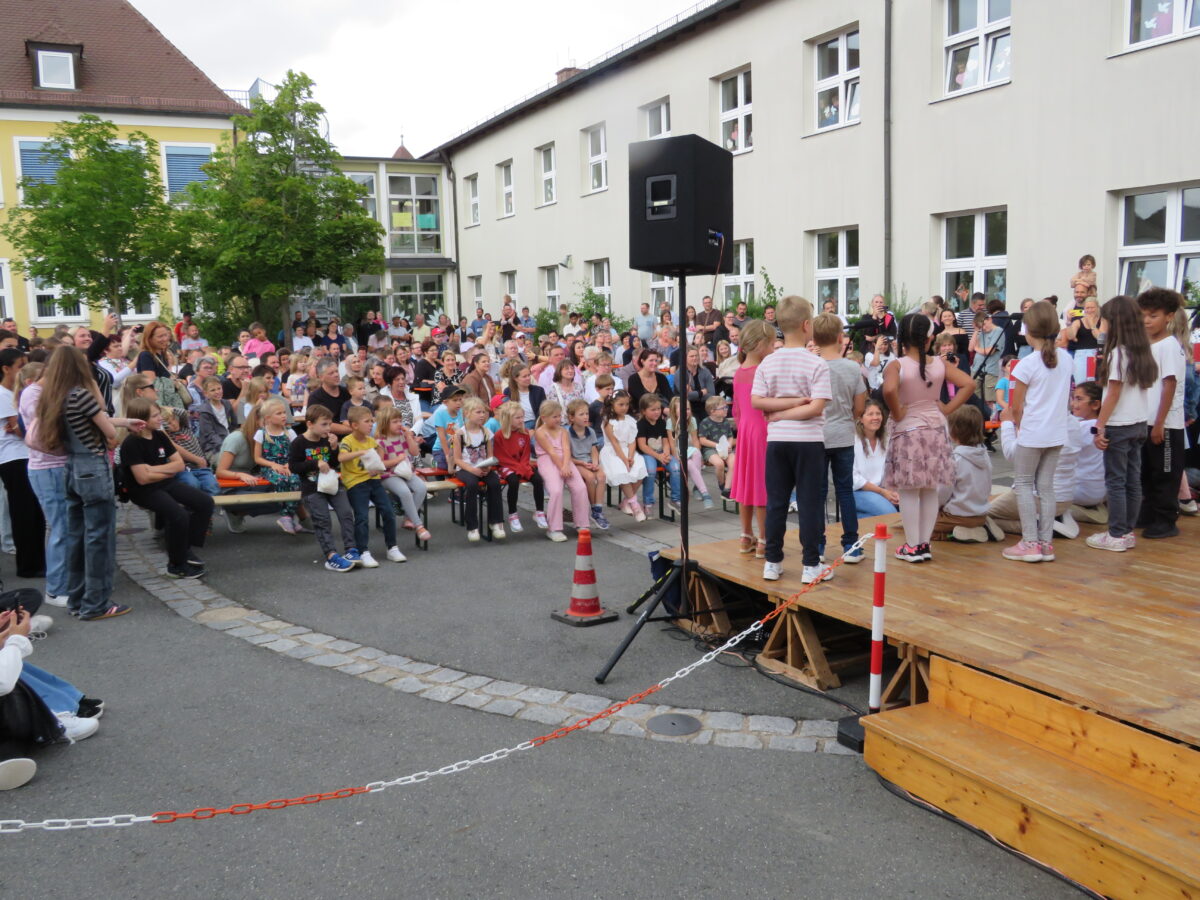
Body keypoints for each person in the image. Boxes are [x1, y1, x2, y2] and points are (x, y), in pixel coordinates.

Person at [35, 347, 140, 619]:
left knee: (77, 537)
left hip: (71, 467)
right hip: (92, 466)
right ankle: (97, 604)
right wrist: (93, 384)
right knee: (100, 538)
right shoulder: (81, 394)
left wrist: (125, 421)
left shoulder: (53, 397)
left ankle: (77, 599)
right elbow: (107, 429)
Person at [749, 298, 832, 583]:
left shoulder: (768, 362)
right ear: (807, 325)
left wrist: (780, 413)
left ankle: (772, 561)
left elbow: (757, 400)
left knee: (776, 503)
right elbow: (816, 407)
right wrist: (793, 407)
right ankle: (810, 565)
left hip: (778, 440)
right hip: (808, 441)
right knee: (809, 503)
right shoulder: (816, 363)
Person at [881, 313, 975, 563]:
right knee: (930, 489)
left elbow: (889, 389)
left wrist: (898, 410)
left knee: (910, 490)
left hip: (909, 429)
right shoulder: (939, 364)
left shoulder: (897, 365)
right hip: (935, 428)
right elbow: (969, 384)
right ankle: (924, 544)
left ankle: (912, 545)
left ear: (902, 338)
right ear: (930, 338)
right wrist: (946, 408)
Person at [998, 301, 1073, 561]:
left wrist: (1016, 427)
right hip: (1057, 433)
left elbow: (1016, 407)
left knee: (1024, 485)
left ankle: (1030, 543)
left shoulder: (1027, 364)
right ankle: (1045, 544)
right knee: (1046, 487)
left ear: (1029, 330)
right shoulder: (1067, 359)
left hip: (1032, 433)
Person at [1088, 296, 1157, 552]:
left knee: (1116, 481)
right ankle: (1126, 532)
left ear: (1114, 322)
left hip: (1119, 425)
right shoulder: (1142, 350)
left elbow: (1113, 393)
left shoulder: (1118, 353)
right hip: (1139, 423)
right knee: (1132, 480)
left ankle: (1116, 534)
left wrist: (1100, 426)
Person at [120, 397, 214, 579]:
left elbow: (178, 465)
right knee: (178, 515)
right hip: (143, 491)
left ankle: (186, 548)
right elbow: (142, 478)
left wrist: (155, 470)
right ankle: (176, 565)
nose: (159, 419)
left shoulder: (160, 435)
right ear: (141, 420)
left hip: (164, 482)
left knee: (205, 502)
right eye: (154, 416)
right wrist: (166, 471)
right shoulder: (131, 443)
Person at [814, 312, 868, 562]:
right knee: (845, 491)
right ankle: (852, 545)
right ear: (839, 337)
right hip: (844, 435)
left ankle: (819, 545)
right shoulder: (852, 367)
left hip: (816, 435)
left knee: (818, 493)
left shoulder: (812, 366)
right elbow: (860, 407)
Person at [1137, 288, 1186, 539]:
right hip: (1145, 420)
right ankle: (1148, 514)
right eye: (1143, 315)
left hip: (1165, 424)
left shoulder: (1169, 346)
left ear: (1168, 316)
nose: (1146, 320)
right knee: (1146, 470)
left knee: (1165, 473)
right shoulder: (1148, 345)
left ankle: (1167, 520)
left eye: (1153, 316)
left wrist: (1159, 424)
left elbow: (1170, 384)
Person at [288, 405, 359, 572]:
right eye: (324, 424)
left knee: (346, 513)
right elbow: (294, 466)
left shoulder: (327, 439)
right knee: (322, 520)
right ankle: (331, 555)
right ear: (310, 424)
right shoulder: (299, 442)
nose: (328, 428)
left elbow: (334, 463)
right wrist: (315, 463)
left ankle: (351, 549)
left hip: (332, 483)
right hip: (312, 487)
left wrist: (334, 449)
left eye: (329, 424)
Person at [728, 320, 773, 557]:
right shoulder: (762, 371)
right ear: (759, 345)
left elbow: (736, 409)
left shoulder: (739, 372)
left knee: (746, 485)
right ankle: (765, 539)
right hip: (762, 431)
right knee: (762, 487)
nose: (774, 348)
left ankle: (746, 536)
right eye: (772, 343)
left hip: (745, 430)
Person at [338, 406, 404, 565]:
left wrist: (377, 465)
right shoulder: (348, 441)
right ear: (354, 425)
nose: (370, 425)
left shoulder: (370, 440)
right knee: (362, 517)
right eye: (367, 422)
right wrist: (360, 453)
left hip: (373, 480)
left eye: (372, 421)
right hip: (355, 483)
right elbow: (341, 457)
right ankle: (363, 551)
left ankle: (392, 548)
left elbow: (379, 450)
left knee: (388, 511)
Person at [0, 349, 45, 579]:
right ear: (6, 369)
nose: (22, 370)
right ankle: (28, 565)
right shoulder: (2, 394)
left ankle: (38, 560)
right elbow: (20, 430)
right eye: (19, 366)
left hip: (27, 455)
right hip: (13, 458)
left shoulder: (17, 393)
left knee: (35, 512)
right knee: (24, 512)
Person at [931, 405, 993, 542]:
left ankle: (955, 534)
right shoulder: (984, 455)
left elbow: (942, 493)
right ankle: (981, 527)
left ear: (953, 431)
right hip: (980, 514)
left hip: (957, 516)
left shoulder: (954, 459)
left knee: (916, 524)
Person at [533, 399, 591, 542]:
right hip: (548, 461)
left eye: (559, 416)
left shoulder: (563, 431)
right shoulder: (540, 432)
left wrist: (566, 465)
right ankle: (554, 528)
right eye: (555, 417)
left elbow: (566, 449)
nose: (558, 419)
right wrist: (561, 467)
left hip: (565, 461)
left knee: (580, 488)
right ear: (544, 418)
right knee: (556, 490)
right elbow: (551, 452)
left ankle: (582, 524)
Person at [375, 404, 430, 543]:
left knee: (421, 488)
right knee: (405, 492)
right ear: (385, 424)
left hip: (406, 472)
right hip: (389, 475)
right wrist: (396, 460)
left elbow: (415, 452)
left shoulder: (402, 436)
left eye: (400, 421)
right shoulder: (380, 441)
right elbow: (380, 465)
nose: (399, 424)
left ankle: (408, 518)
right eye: (395, 422)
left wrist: (409, 436)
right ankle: (419, 526)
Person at [453, 397, 505, 542]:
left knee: (495, 482)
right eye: (478, 412)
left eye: (484, 412)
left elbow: (490, 454)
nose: (482, 415)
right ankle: (472, 526)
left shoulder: (486, 432)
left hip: (483, 467)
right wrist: (471, 469)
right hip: (465, 468)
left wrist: (488, 466)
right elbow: (457, 459)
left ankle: (496, 522)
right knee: (472, 485)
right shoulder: (460, 434)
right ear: (467, 414)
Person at [491, 401, 547, 533]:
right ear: (507, 419)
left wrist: (522, 466)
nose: (522, 420)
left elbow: (526, 453)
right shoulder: (500, 435)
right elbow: (501, 457)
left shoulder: (525, 433)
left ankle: (539, 512)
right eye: (518, 417)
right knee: (513, 481)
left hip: (522, 464)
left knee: (538, 480)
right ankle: (513, 514)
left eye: (522, 417)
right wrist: (518, 467)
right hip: (506, 465)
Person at [599, 390, 647, 521]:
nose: (624, 407)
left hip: (627, 450)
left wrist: (630, 457)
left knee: (640, 468)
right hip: (613, 452)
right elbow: (614, 443)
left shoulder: (630, 420)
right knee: (622, 470)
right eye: (621, 404)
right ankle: (635, 505)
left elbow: (632, 441)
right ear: (612, 404)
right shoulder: (608, 422)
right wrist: (624, 459)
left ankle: (626, 501)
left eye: (626, 404)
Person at [565, 398, 609, 529]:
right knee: (590, 477)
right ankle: (592, 507)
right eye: (581, 414)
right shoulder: (567, 433)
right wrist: (583, 463)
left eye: (586, 414)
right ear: (571, 418)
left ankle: (597, 510)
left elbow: (594, 450)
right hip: (577, 462)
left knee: (601, 476)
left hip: (589, 460)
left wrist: (595, 462)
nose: (585, 417)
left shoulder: (591, 431)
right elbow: (568, 457)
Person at [852, 399, 899, 519]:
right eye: (870, 414)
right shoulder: (853, 440)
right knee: (891, 515)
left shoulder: (886, 439)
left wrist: (892, 491)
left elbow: (893, 468)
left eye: (878, 414)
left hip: (883, 489)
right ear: (861, 419)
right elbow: (854, 479)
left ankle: (858, 517)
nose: (875, 417)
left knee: (910, 507)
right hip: (859, 492)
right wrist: (883, 493)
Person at [162, 407, 219, 496]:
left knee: (212, 486)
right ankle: (193, 508)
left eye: (173, 419)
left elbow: (183, 412)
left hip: (201, 467)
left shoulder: (184, 427)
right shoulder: (167, 435)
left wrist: (166, 409)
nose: (173, 424)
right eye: (168, 423)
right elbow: (161, 427)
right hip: (184, 470)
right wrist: (164, 420)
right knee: (192, 484)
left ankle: (212, 509)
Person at [668, 395, 712, 510]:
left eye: (687, 409)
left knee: (697, 453)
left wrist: (700, 455)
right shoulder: (670, 422)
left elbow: (695, 440)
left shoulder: (692, 420)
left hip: (689, 450)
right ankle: (704, 492)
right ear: (674, 411)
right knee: (690, 464)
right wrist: (676, 456)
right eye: (682, 409)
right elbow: (672, 443)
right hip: (677, 451)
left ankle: (698, 488)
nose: (686, 412)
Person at [697, 394, 736, 498]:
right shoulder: (705, 423)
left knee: (734, 462)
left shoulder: (726, 422)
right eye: (723, 408)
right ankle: (722, 484)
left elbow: (730, 436)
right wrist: (717, 445)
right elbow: (702, 440)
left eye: (726, 407)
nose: (726, 409)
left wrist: (729, 444)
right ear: (712, 411)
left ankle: (727, 489)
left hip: (725, 449)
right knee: (719, 464)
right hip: (710, 449)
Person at [968, 311, 1005, 410]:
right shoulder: (982, 332)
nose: (984, 328)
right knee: (975, 397)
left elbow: (990, 351)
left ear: (990, 319)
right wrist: (976, 331)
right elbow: (970, 348)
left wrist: (977, 349)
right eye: (981, 327)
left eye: (984, 325)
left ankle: (991, 419)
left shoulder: (998, 331)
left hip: (990, 369)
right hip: (977, 368)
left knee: (989, 399)